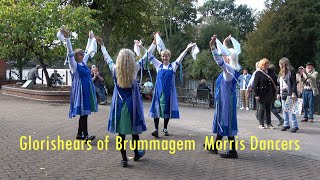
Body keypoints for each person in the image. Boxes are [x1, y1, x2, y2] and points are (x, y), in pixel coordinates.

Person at [97, 37, 147, 167]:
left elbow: (107, 58)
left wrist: (102, 45)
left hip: (119, 105)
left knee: (121, 134)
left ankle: (124, 158)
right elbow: (147, 57)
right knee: (135, 132)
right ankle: (136, 153)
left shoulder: (114, 70)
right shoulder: (135, 69)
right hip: (133, 106)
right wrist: (146, 46)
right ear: (131, 60)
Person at [141, 33, 195, 137]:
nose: (164, 57)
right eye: (163, 56)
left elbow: (181, 57)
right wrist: (141, 47)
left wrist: (187, 49)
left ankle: (165, 128)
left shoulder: (173, 66)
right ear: (161, 57)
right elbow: (149, 55)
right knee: (156, 109)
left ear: (169, 57)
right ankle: (156, 129)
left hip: (168, 93)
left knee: (166, 110)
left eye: (166, 56)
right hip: (158, 92)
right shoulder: (158, 65)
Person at [60, 28, 97, 142]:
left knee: (84, 114)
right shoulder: (74, 65)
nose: (82, 55)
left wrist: (90, 39)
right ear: (76, 56)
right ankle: (85, 136)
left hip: (86, 91)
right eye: (80, 54)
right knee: (83, 114)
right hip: (80, 92)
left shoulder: (83, 63)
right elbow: (70, 52)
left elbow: (87, 50)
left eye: (82, 54)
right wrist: (67, 38)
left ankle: (79, 134)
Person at [208, 34, 241, 158]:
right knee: (224, 121)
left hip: (226, 100)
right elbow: (227, 54)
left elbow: (219, 60)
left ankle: (232, 151)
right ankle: (215, 147)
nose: (224, 56)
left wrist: (212, 47)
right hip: (225, 100)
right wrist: (225, 42)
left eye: (226, 56)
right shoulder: (232, 69)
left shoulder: (229, 71)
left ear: (229, 59)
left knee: (227, 121)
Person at [253, 58, 278, 129]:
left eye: (268, 63)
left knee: (268, 109)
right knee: (261, 109)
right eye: (266, 64)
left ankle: (269, 123)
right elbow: (255, 85)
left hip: (269, 93)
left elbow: (275, 82)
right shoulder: (258, 73)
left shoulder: (270, 72)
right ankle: (261, 123)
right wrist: (256, 94)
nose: (267, 65)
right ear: (262, 65)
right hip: (262, 93)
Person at [277, 58, 299, 133]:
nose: (279, 65)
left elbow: (293, 83)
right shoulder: (281, 72)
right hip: (282, 92)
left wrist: (293, 93)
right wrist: (277, 93)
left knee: (292, 110)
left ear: (283, 64)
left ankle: (295, 125)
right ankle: (286, 124)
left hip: (289, 92)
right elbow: (279, 84)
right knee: (284, 109)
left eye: (280, 64)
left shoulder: (291, 71)